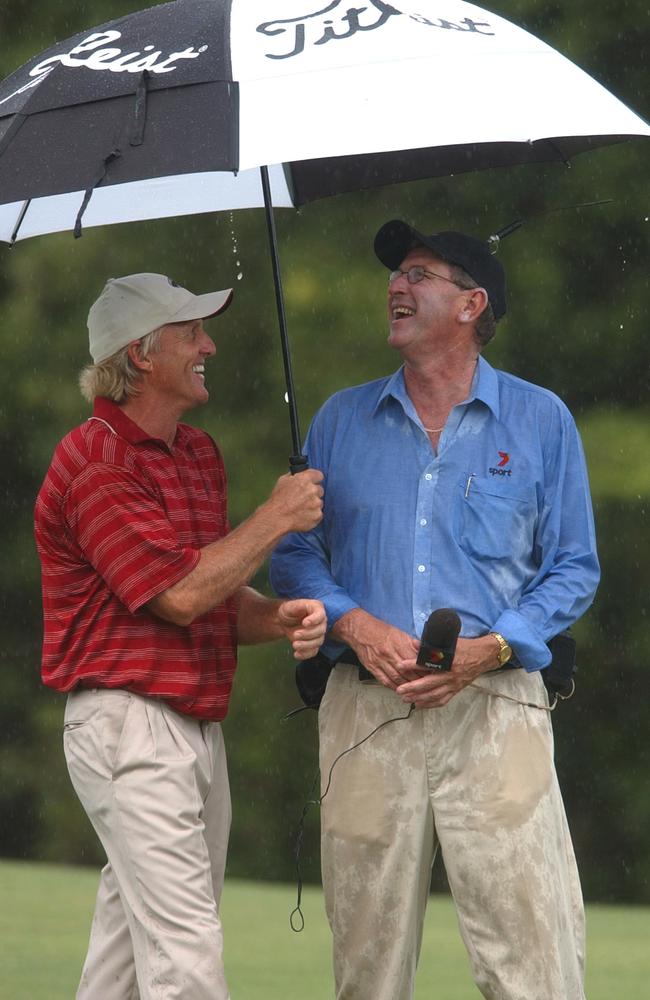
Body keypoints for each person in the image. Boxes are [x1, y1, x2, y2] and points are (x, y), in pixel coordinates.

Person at [270, 220, 600, 1000]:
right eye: (396, 275)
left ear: (471, 304)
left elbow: (574, 568)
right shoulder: (338, 421)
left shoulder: (541, 419)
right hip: (363, 709)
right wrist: (354, 623)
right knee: (367, 965)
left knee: (532, 962)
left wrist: (496, 647)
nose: (397, 286)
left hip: (496, 703)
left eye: (419, 274)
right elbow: (291, 552)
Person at [34, 272, 326, 1000]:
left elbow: (211, 592)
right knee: (186, 957)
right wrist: (277, 515)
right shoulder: (95, 462)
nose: (209, 345)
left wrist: (275, 616)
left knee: (130, 957)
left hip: (191, 726)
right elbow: (178, 595)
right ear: (141, 354)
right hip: (126, 725)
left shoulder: (195, 453)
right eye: (191, 333)